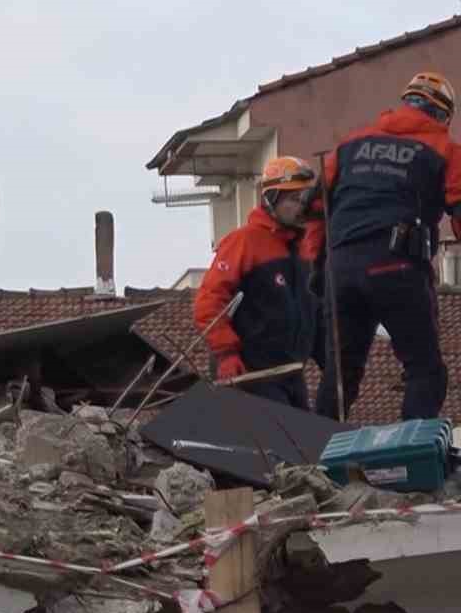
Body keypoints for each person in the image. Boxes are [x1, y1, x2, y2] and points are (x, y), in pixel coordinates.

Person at [311, 72, 461, 421]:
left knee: (340, 377)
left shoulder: (350, 144)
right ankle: (413, 463)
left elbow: (317, 210)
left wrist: (315, 270)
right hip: (398, 266)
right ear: (442, 116)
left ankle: (312, 460)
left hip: (340, 268)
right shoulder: (446, 150)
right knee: (426, 372)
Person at [193, 157, 321, 409]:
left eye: (304, 199)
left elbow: (315, 311)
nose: (301, 207)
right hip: (250, 374)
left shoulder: (305, 249)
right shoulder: (244, 242)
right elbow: (208, 303)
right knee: (273, 444)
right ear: (272, 199)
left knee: (301, 442)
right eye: (294, 199)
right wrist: (226, 354)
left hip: (291, 373)